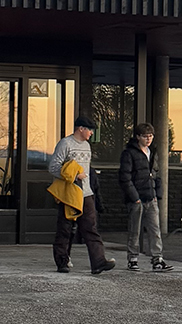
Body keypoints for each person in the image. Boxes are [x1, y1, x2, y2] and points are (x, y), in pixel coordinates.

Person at [48, 116, 114, 274]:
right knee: (65, 228)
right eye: (89, 129)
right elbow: (53, 167)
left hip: (86, 193)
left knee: (91, 227)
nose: (91, 133)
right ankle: (62, 261)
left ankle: (98, 262)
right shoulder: (65, 144)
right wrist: (74, 175)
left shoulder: (87, 146)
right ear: (81, 128)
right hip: (69, 194)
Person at [119, 122, 172, 272]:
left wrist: (157, 195)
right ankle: (133, 259)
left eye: (150, 136)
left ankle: (157, 259)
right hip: (136, 199)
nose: (148, 139)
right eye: (145, 136)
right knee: (135, 230)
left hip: (150, 197)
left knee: (155, 230)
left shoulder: (152, 152)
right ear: (137, 137)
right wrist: (135, 197)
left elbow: (156, 174)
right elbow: (124, 178)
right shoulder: (129, 153)